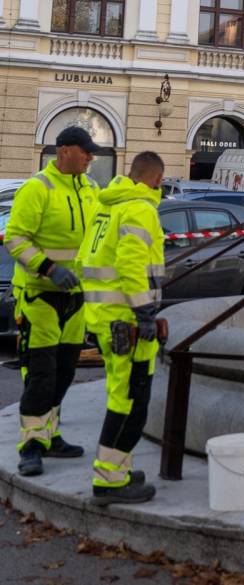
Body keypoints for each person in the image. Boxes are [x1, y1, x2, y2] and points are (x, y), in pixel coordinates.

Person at [6, 126, 101, 477]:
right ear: (63, 151)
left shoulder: (92, 189)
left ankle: (51, 436)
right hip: (39, 295)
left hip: (76, 298)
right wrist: (48, 268)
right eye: (85, 151)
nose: (91, 157)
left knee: (64, 374)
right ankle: (31, 446)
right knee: (42, 376)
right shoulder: (37, 188)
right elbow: (15, 239)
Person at [79, 152, 166, 505]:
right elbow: (130, 263)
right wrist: (144, 311)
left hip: (105, 317)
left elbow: (89, 258)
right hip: (127, 320)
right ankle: (109, 480)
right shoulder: (141, 208)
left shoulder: (108, 206)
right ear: (157, 179)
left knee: (123, 395)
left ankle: (118, 469)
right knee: (130, 402)